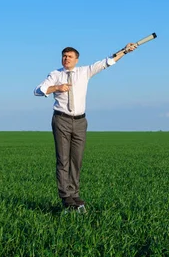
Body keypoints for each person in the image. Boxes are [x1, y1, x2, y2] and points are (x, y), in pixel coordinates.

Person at [34, 42, 138, 213]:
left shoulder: (85, 72)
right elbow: (38, 90)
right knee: (63, 160)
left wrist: (125, 51)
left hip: (80, 121)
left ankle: (74, 194)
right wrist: (56, 88)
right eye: (64, 56)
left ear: (76, 60)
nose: (66, 59)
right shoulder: (55, 75)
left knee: (77, 159)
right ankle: (65, 196)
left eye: (69, 57)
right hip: (61, 120)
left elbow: (108, 61)